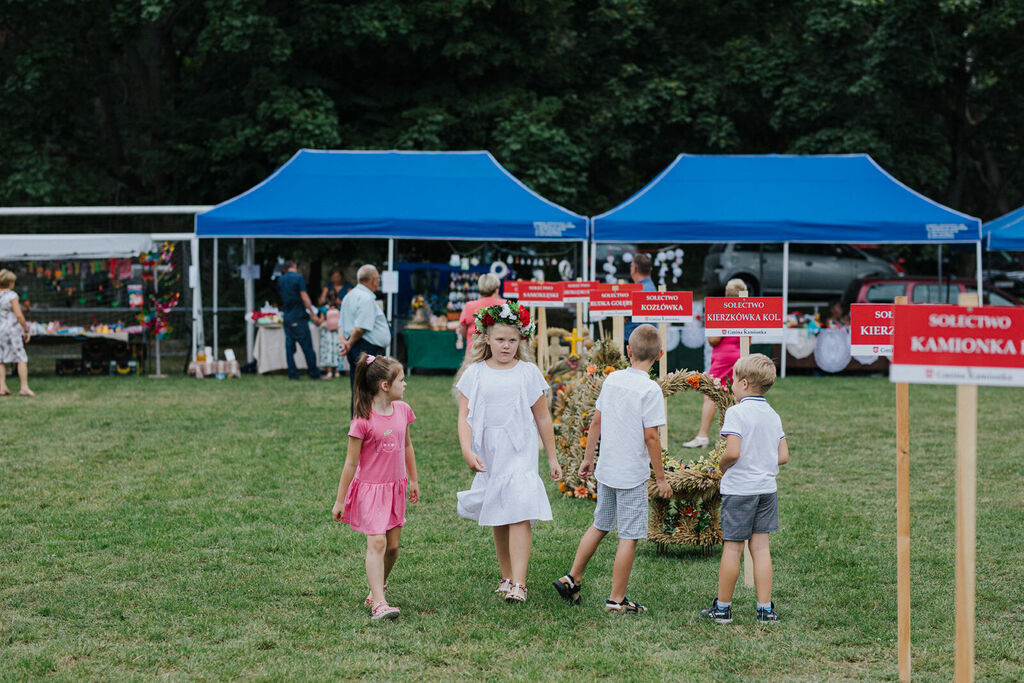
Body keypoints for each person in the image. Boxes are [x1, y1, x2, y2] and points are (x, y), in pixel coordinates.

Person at [553, 324, 672, 614]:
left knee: (600, 523)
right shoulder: (651, 389)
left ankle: (572, 578)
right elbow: (652, 437)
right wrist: (660, 477)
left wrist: (587, 458)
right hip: (632, 474)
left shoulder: (614, 379)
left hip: (606, 468)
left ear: (628, 351)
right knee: (628, 535)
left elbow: (596, 421)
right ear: (660, 355)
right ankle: (616, 600)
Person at [455, 300, 562, 603]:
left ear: (521, 340)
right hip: (490, 452)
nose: (506, 346)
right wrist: (467, 450)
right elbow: (464, 417)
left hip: (520, 450)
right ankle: (506, 576)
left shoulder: (527, 373)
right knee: (500, 512)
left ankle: (520, 582)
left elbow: (542, 417)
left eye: (512, 340)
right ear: (486, 338)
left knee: (519, 510)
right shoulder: (475, 374)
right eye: (500, 339)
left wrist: (552, 457)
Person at [700, 353, 788, 624]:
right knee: (761, 548)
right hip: (766, 489)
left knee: (733, 549)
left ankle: (723, 608)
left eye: (734, 381)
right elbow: (783, 455)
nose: (731, 385)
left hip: (740, 490)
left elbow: (733, 452)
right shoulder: (772, 415)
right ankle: (765, 609)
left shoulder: (736, 413)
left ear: (745, 383)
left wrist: (721, 466)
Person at [331, 354, 419, 621]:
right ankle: (379, 603)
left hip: (395, 488)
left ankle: (376, 588)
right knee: (377, 542)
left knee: (392, 548)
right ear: (384, 385)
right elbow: (349, 463)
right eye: (401, 380)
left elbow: (406, 446)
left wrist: (413, 479)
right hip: (371, 490)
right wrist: (339, 500)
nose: (405, 384)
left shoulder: (403, 410)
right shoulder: (362, 421)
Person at [683, 278, 747, 448]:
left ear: (726, 294)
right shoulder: (748, 310)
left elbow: (714, 340)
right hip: (741, 356)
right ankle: (737, 437)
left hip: (723, 357)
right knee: (738, 396)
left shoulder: (721, 310)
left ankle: (703, 435)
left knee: (710, 395)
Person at [340, 265, 392, 415]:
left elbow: (341, 324)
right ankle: (366, 425)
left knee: (358, 388)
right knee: (369, 390)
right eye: (378, 279)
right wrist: (349, 344)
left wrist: (345, 342)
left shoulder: (349, 296)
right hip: (366, 348)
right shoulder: (367, 298)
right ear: (374, 280)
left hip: (355, 345)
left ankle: (358, 423)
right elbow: (361, 328)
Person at [277, 260, 321, 380]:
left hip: (287, 317)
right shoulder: (298, 278)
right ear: (295, 266)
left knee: (289, 348)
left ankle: (292, 374)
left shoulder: (280, 280)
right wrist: (313, 314)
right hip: (298, 316)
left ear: (285, 269)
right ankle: (314, 373)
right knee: (307, 347)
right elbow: (304, 297)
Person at [0, 269, 34, 397]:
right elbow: (19, 315)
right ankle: (24, 387)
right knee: (21, 357)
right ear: (10, 283)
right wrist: (26, 329)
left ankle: (2, 387)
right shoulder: (11, 296)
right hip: (11, 330)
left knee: (1, 358)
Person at [457, 273, 504, 358]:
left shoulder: (469, 306)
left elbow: (463, 331)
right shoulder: (506, 305)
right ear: (497, 290)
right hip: (498, 355)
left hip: (474, 354)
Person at [622, 253, 656, 352]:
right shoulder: (651, 287)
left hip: (636, 342)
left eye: (631, 266)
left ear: (635, 269)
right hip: (645, 340)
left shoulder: (639, 290)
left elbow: (625, 317)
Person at [315, 289, 342, 379]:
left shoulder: (324, 309)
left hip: (327, 333)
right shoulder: (340, 308)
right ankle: (338, 371)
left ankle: (329, 372)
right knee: (338, 351)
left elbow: (320, 321)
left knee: (328, 351)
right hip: (338, 333)